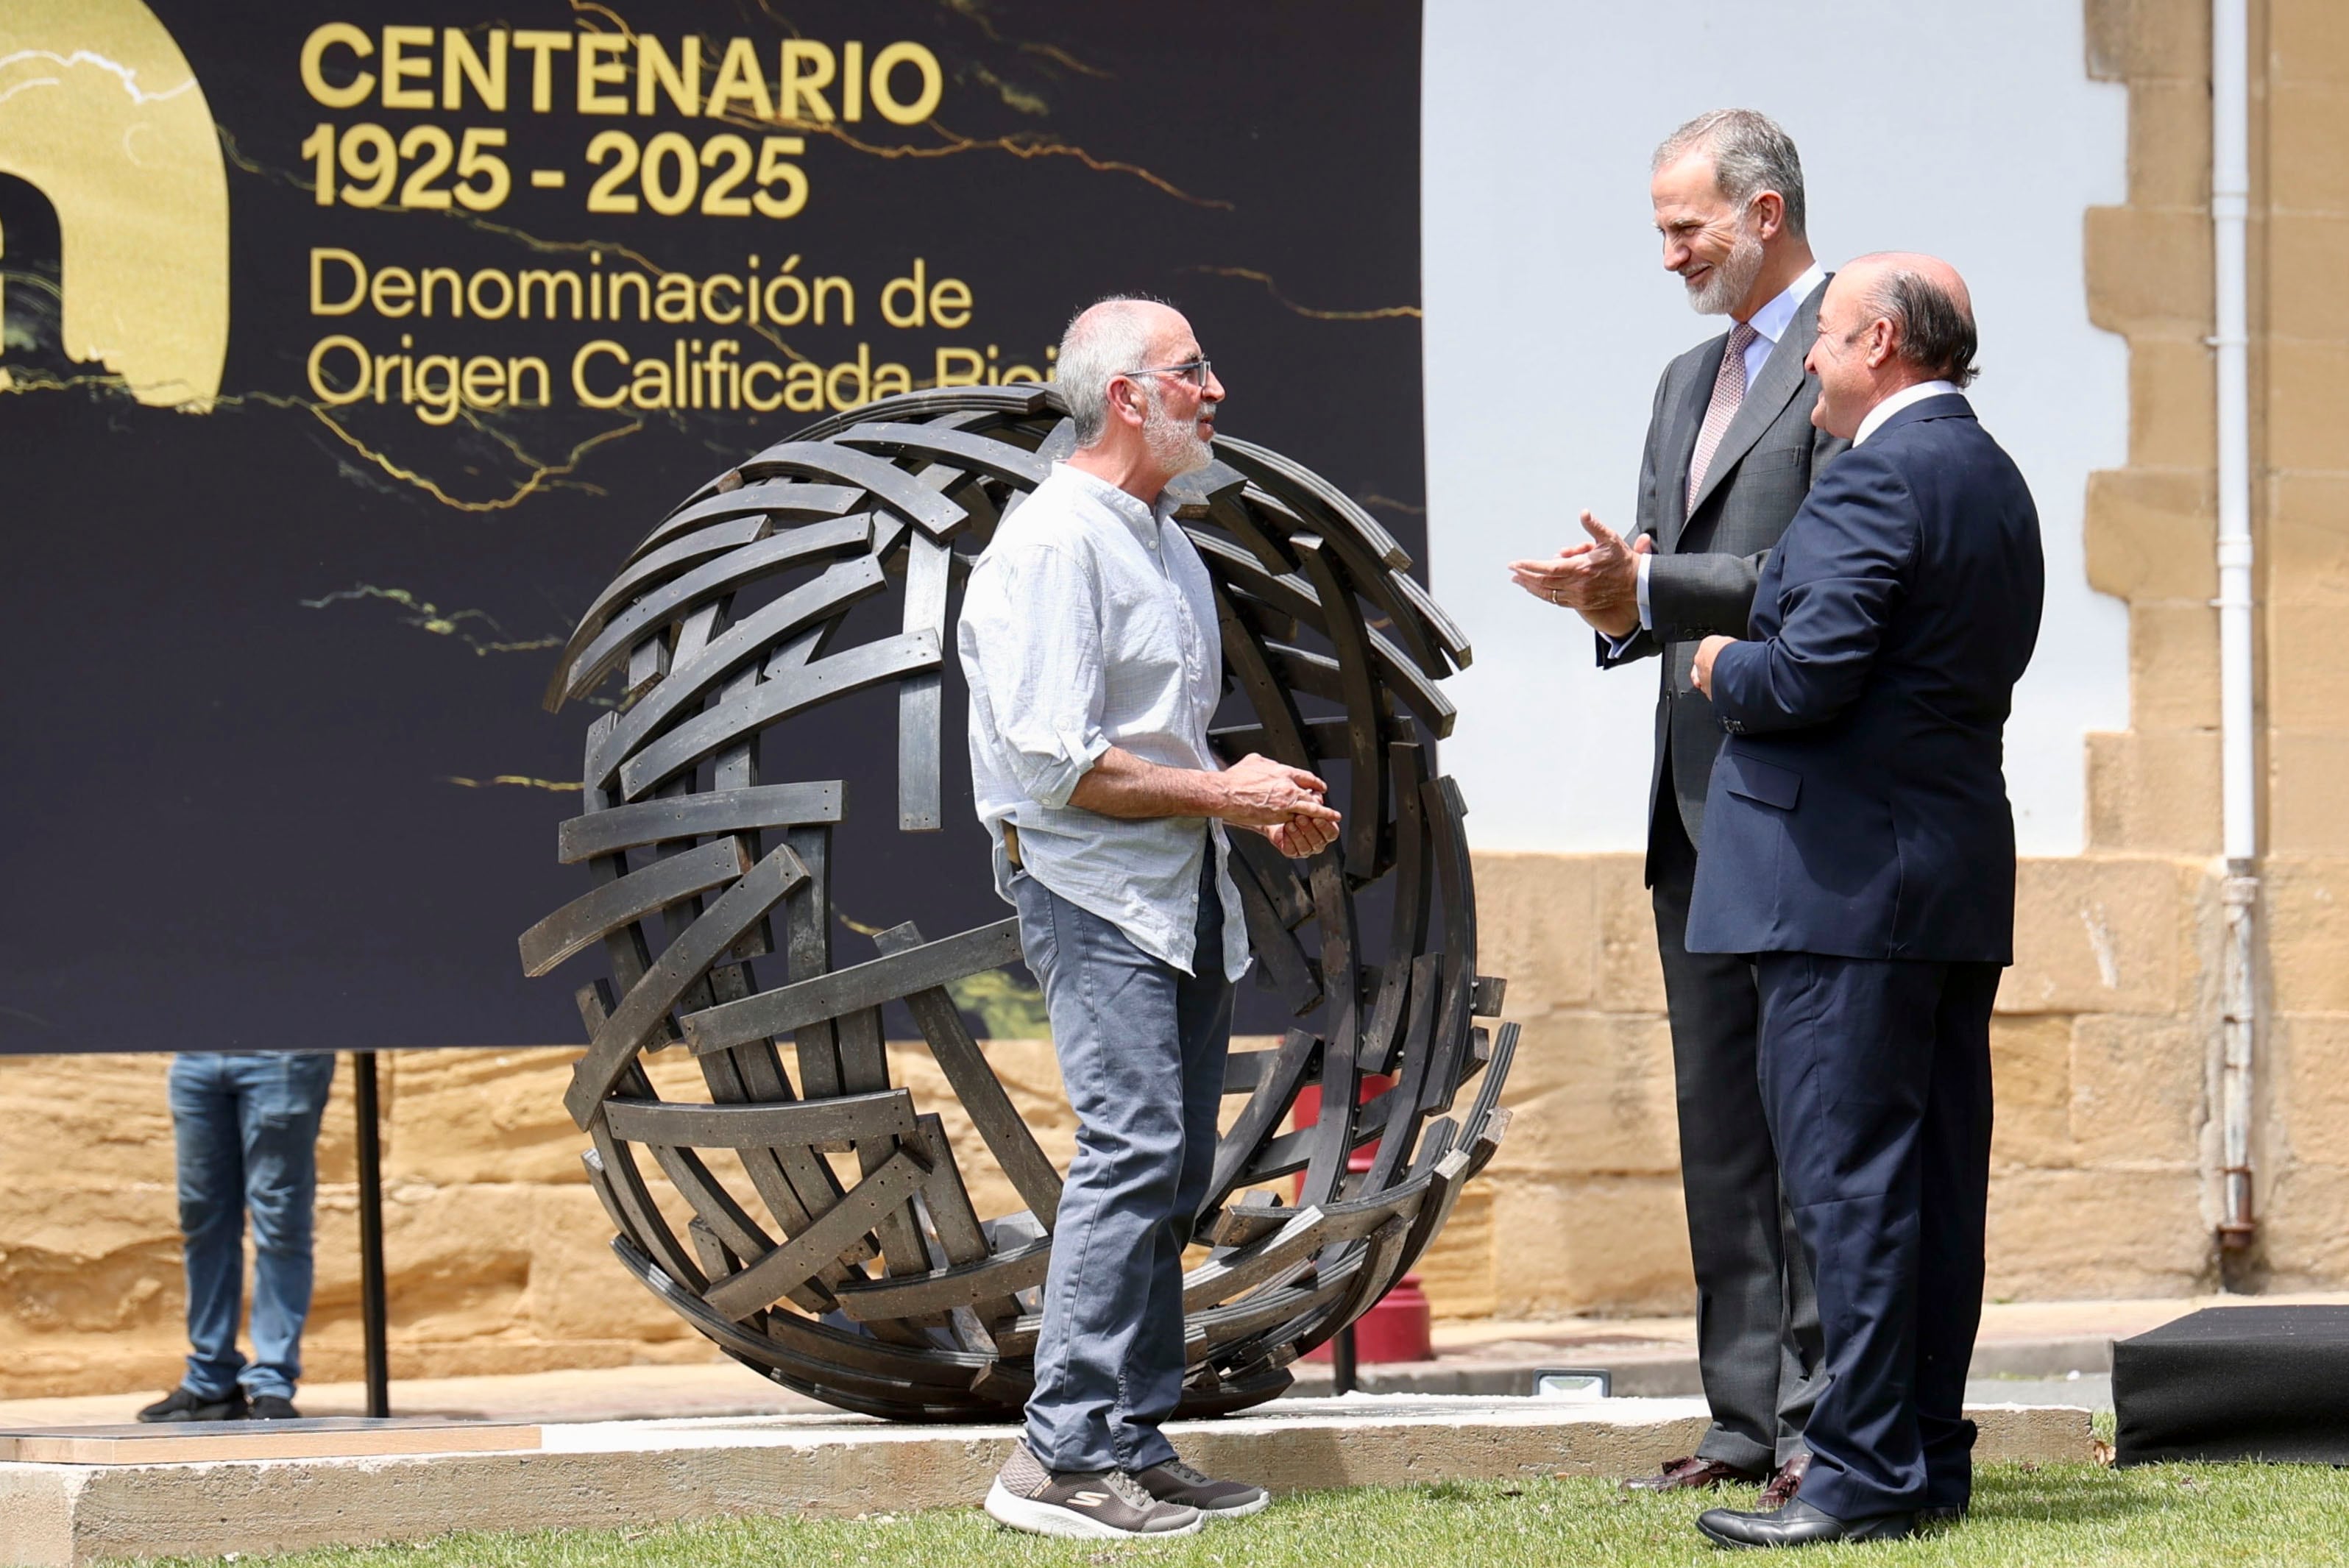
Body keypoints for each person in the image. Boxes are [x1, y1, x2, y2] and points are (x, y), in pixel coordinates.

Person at [957, 296, 1340, 1540]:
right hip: (1091, 893)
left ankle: (1127, 1433)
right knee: (1129, 1150)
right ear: (1128, 396)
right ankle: (1056, 1457)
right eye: (1192, 373)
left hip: (1176, 894)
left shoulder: (1161, 534)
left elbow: (1152, 743)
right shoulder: (1053, 543)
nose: (1215, 390)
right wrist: (1220, 792)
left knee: (1172, 1165)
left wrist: (1248, 800)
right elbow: (1059, 766)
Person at [1682, 254, 2043, 1548]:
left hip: (1840, 892)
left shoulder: (1877, 476)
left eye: (1821, 343)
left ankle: (1859, 1475)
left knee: (1850, 1192)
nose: (1806, 369)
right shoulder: (1987, 474)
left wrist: (1720, 665)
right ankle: (1922, 1460)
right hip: (1941, 881)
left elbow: (1805, 680)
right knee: (1930, 1185)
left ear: (1880, 342)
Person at [1506, 107, 1838, 1503]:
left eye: (1682, 226)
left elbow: (1822, 569)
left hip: (1807, 807)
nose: (1667, 254)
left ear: (1763, 214)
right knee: (1721, 1130)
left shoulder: (1852, 358)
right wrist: (1610, 595)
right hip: (1691, 814)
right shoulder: (1677, 381)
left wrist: (1655, 590)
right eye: (1659, 227)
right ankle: (1740, 1423)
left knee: (1813, 1127)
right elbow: (1667, 582)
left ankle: (1828, 1420)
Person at [136, 1051, 338, 1422]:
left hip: (282, 1056)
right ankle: (211, 1379)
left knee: (280, 1222)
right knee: (202, 1217)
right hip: (197, 1054)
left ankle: (273, 1380)